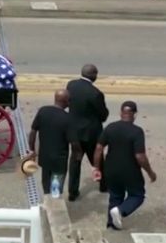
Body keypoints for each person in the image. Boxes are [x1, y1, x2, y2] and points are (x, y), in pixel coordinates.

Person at [92, 101, 156, 230]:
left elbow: (99, 149)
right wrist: (150, 172)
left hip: (110, 169)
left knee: (115, 195)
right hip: (130, 170)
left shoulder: (110, 127)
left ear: (121, 112)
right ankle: (121, 211)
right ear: (135, 114)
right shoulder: (137, 131)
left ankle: (112, 224)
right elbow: (140, 156)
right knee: (137, 195)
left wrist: (96, 168)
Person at [65, 64, 110, 200]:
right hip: (91, 133)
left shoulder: (71, 85)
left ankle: (73, 192)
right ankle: (103, 185)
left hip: (74, 133)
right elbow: (103, 115)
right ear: (94, 75)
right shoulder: (95, 93)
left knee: (75, 161)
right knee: (98, 160)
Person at [29, 90, 82, 196]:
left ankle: (47, 200)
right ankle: (54, 205)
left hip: (44, 157)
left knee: (46, 183)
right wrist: (78, 154)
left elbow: (33, 131)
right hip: (59, 161)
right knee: (56, 189)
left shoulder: (43, 111)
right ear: (66, 101)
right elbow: (74, 143)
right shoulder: (68, 118)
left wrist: (32, 150)